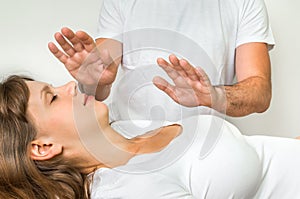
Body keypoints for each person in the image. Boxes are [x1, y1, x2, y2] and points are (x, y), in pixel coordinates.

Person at [1, 75, 300, 199]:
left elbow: (266, 157)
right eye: (52, 98)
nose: (69, 85)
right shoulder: (124, 191)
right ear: (43, 147)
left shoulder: (125, 130)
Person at [48, 0, 275, 122]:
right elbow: (100, 84)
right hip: (127, 139)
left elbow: (260, 93)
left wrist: (214, 96)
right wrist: (92, 81)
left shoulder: (245, 2)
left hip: (205, 145)